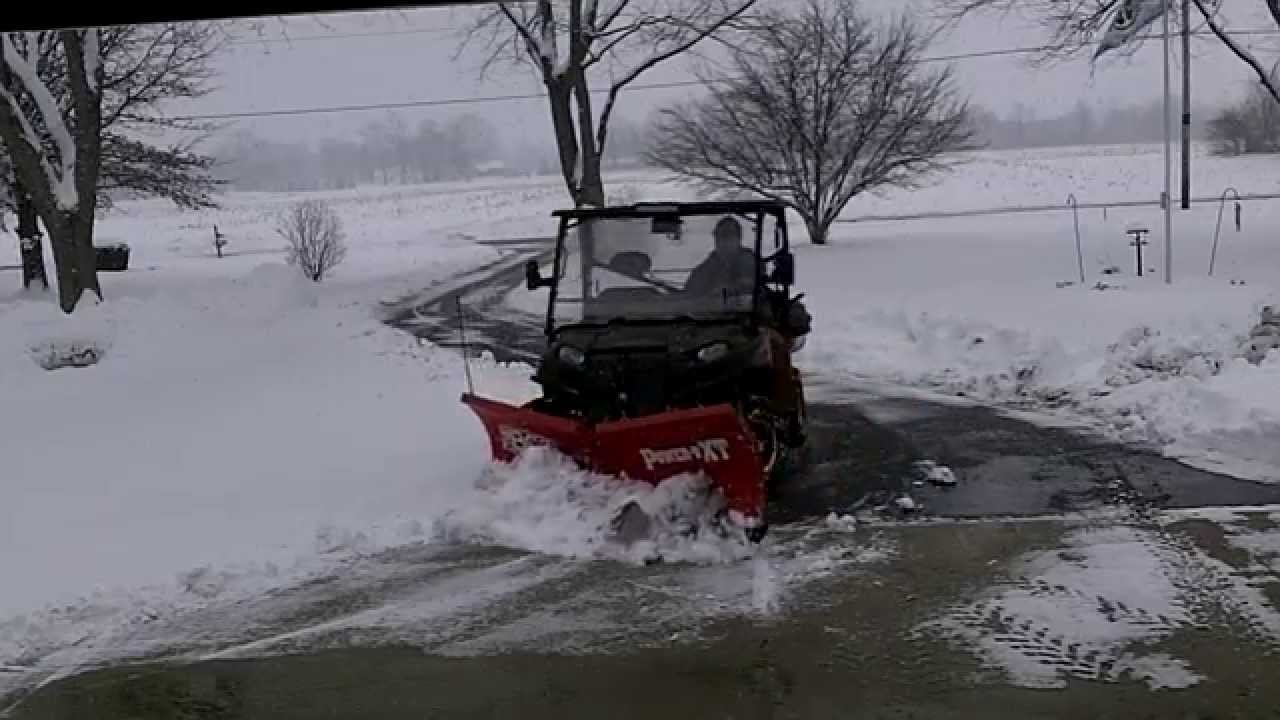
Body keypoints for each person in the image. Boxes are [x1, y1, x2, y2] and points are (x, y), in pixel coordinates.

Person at [684, 216, 760, 299]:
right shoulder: (706, 267)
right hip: (708, 310)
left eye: (728, 236)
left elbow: (749, 285)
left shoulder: (749, 261)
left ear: (739, 239)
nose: (723, 241)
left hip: (745, 311)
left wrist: (728, 290)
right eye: (720, 236)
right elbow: (690, 290)